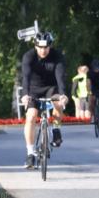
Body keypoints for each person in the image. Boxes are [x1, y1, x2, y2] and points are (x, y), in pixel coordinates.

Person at [20, 32, 68, 169]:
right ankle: (30, 154)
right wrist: (25, 94)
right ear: (35, 46)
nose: (43, 50)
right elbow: (25, 77)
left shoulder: (57, 56)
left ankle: (56, 129)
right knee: (31, 116)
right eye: (40, 47)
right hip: (33, 89)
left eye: (46, 47)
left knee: (58, 102)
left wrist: (63, 95)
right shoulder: (29, 56)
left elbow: (60, 77)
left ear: (50, 46)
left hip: (51, 88)